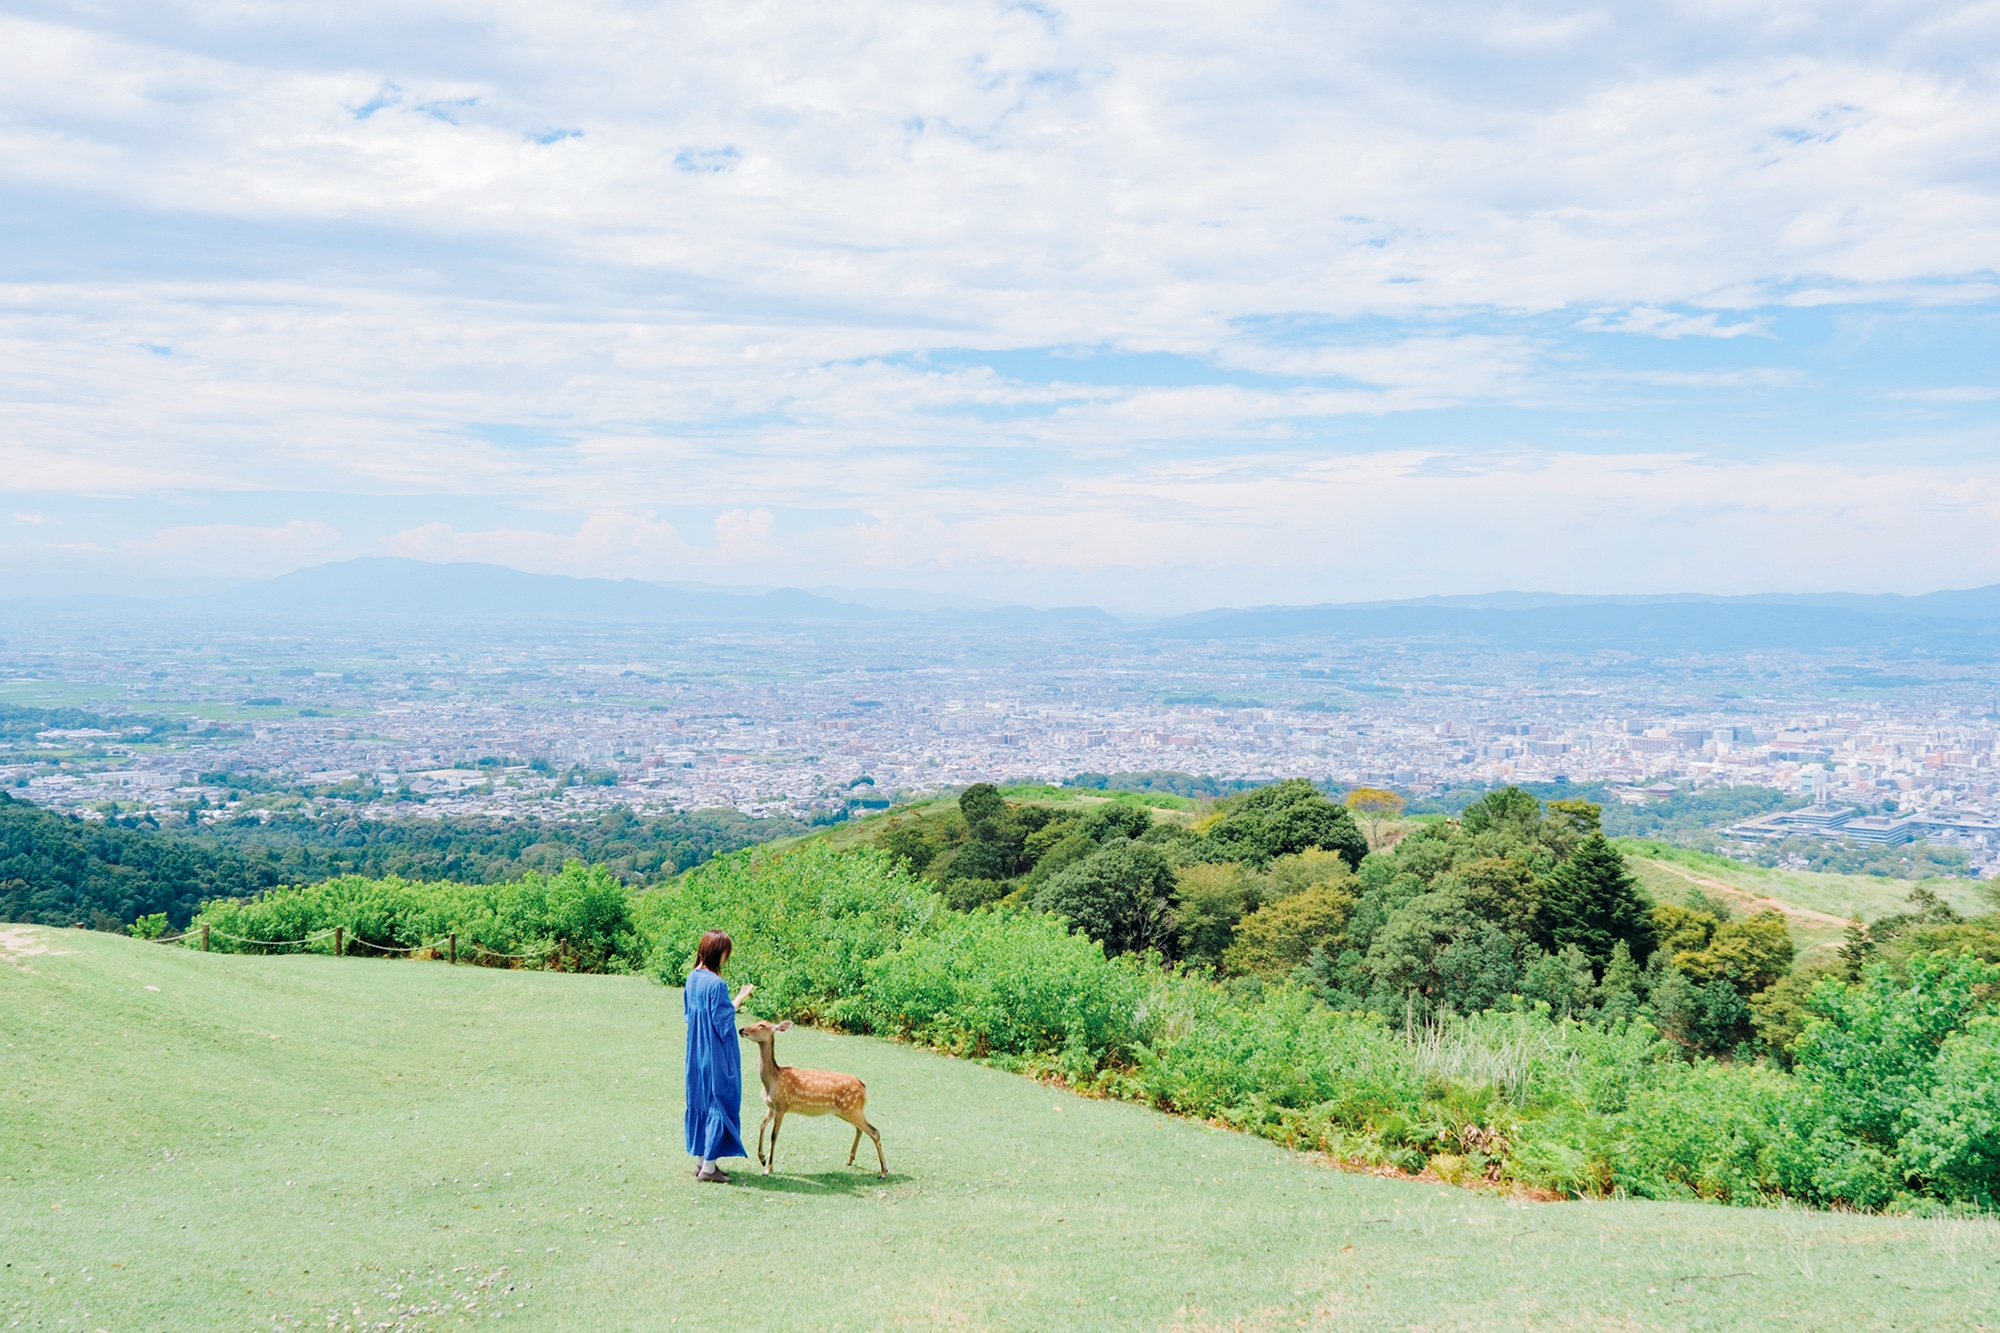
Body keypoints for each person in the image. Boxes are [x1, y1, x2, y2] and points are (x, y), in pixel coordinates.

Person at [684, 929, 754, 1183]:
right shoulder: (716, 984)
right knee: (721, 1101)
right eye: (726, 953)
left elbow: (689, 1015)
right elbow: (722, 1020)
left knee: (701, 1100)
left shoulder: (692, 978)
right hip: (716, 1052)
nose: (727, 958)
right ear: (718, 952)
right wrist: (740, 998)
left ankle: (703, 1161)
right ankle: (708, 1169)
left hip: (696, 1052)